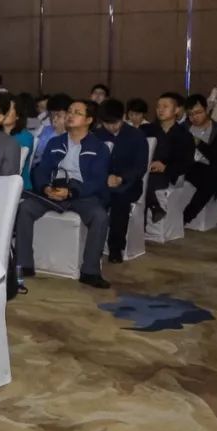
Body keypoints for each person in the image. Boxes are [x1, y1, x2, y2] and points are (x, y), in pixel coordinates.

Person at [17, 99, 112, 289]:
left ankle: (90, 271)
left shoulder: (99, 147)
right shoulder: (55, 142)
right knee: (25, 208)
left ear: (89, 120)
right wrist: (45, 187)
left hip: (81, 194)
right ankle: (24, 264)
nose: (70, 115)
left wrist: (71, 192)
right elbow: (42, 170)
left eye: (77, 112)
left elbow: (97, 180)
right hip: (53, 190)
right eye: (69, 111)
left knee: (100, 217)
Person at [95, 99, 148, 263]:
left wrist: (121, 178)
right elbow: (91, 163)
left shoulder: (136, 136)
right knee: (93, 200)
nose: (112, 127)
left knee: (120, 201)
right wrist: (105, 177)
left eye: (115, 123)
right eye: (107, 124)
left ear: (123, 117)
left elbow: (140, 166)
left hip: (129, 183)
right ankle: (94, 246)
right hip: (103, 181)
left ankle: (115, 247)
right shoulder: (96, 136)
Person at [142, 92, 195, 223]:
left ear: (176, 110)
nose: (160, 109)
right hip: (144, 169)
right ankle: (153, 208)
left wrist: (165, 167)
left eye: (165, 106)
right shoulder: (146, 129)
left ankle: (147, 216)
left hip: (167, 174)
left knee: (147, 181)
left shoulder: (184, 135)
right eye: (158, 106)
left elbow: (187, 163)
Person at [183, 93, 217, 224]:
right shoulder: (184, 128)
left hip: (209, 168)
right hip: (186, 166)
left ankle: (185, 218)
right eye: (190, 114)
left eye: (198, 113)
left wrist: (198, 143)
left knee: (210, 181)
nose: (194, 117)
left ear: (206, 109)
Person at [2, 95, 34, 189]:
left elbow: (14, 168)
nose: (5, 112)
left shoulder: (25, 137)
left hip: (19, 189)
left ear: (17, 115)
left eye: (9, 109)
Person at [32, 93, 71, 162]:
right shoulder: (44, 131)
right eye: (51, 115)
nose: (54, 119)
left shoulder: (73, 136)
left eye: (58, 115)